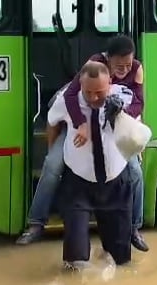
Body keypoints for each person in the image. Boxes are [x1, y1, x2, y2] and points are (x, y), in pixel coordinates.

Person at [16, 35, 149, 251]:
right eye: (119, 66)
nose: (124, 70)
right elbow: (70, 96)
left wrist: (122, 114)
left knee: (135, 172)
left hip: (113, 127)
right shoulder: (94, 64)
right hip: (78, 126)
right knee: (52, 165)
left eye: (128, 65)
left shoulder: (136, 68)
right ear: (108, 59)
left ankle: (134, 228)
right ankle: (36, 223)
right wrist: (80, 124)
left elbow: (139, 103)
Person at [51, 62, 147, 269]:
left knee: (121, 259)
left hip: (115, 183)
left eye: (99, 92)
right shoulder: (67, 100)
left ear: (110, 83)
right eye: (88, 92)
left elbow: (138, 127)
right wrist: (55, 151)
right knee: (75, 260)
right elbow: (52, 123)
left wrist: (121, 113)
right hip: (78, 184)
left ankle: (129, 235)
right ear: (80, 85)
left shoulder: (122, 97)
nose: (94, 98)